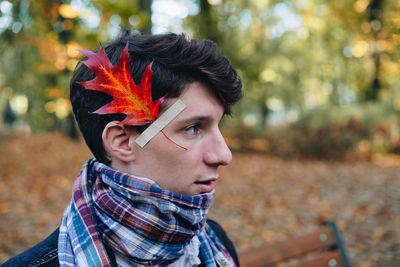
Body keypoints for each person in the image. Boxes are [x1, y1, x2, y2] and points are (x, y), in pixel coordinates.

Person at [2, 31, 242, 267]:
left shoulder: (217, 243)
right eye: (193, 128)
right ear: (123, 142)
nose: (224, 155)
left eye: (216, 126)